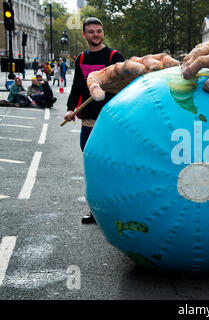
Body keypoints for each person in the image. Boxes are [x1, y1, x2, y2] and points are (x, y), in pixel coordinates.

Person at [64, 17, 125, 224]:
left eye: (99, 31)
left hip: (111, 122)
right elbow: (76, 88)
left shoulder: (115, 56)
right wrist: (70, 109)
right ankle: (96, 211)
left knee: (113, 167)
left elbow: (126, 89)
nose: (96, 35)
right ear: (84, 35)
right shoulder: (80, 59)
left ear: (103, 33)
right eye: (91, 32)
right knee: (93, 169)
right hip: (88, 123)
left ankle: (117, 209)